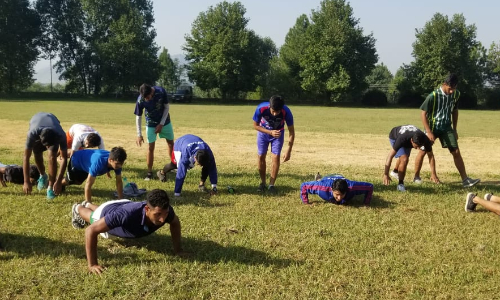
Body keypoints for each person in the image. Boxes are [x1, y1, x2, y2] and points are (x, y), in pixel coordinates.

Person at [70, 189, 184, 274]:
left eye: (165, 214)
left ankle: (89, 204)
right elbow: (91, 230)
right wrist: (92, 264)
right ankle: (78, 208)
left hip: (123, 204)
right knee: (93, 218)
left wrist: (178, 250)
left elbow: (175, 223)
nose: (162, 219)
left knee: (113, 216)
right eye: (158, 214)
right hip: (108, 211)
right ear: (147, 209)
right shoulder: (126, 215)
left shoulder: (166, 210)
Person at [415, 73, 480, 187]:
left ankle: (465, 180)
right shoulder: (433, 96)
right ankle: (416, 177)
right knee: (423, 150)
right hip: (433, 127)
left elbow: (455, 111)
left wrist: (455, 129)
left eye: (454, 89)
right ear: (444, 84)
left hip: (446, 127)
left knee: (456, 151)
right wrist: (429, 131)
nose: (452, 91)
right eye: (450, 89)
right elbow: (423, 113)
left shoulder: (456, 94)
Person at [253, 95, 295, 193]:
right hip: (263, 133)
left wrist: (289, 150)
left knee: (276, 157)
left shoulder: (286, 112)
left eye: (278, 111)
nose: (275, 114)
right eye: (273, 111)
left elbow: (291, 132)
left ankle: (271, 185)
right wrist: (270, 132)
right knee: (261, 156)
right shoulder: (261, 108)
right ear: (269, 106)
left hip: (278, 135)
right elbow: (255, 126)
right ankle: (262, 183)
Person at [23, 112, 68, 199]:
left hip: (52, 123)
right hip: (36, 121)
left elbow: (64, 158)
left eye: (49, 145)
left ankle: (50, 188)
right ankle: (43, 176)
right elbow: (26, 157)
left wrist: (58, 181)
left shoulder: (60, 135)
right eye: (46, 145)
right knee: (37, 153)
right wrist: (26, 181)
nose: (47, 147)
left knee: (52, 157)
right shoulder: (32, 134)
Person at [134, 83, 174, 180]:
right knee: (150, 147)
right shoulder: (141, 99)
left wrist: (161, 124)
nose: (147, 99)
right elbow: (138, 116)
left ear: (152, 91)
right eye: (145, 98)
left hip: (165, 121)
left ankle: (173, 165)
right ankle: (149, 172)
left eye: (148, 97)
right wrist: (139, 134)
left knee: (171, 144)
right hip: (151, 123)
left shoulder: (161, 91)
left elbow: (167, 107)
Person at [62, 147, 127, 203]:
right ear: (110, 160)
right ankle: (58, 182)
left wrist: (120, 198)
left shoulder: (116, 163)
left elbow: (119, 182)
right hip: (76, 161)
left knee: (78, 182)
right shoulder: (98, 162)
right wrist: (88, 203)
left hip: (86, 165)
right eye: (117, 163)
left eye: (122, 163)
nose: (120, 166)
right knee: (68, 181)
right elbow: (88, 184)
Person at [382, 125, 437, 192]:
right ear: (411, 141)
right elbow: (390, 156)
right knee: (404, 158)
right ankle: (400, 184)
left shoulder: (425, 140)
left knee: (404, 157)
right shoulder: (402, 139)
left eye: (419, 146)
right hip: (395, 135)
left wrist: (433, 174)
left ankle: (395, 171)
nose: (417, 148)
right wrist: (385, 174)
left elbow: (431, 156)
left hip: (408, 139)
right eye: (416, 146)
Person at [300, 174, 373, 205]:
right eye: (337, 194)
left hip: (340, 177)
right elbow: (304, 186)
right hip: (327, 179)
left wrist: (366, 203)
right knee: (319, 181)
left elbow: (370, 187)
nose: (339, 198)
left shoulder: (352, 187)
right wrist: (306, 202)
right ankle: (319, 178)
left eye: (342, 194)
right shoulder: (322, 187)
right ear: (332, 190)